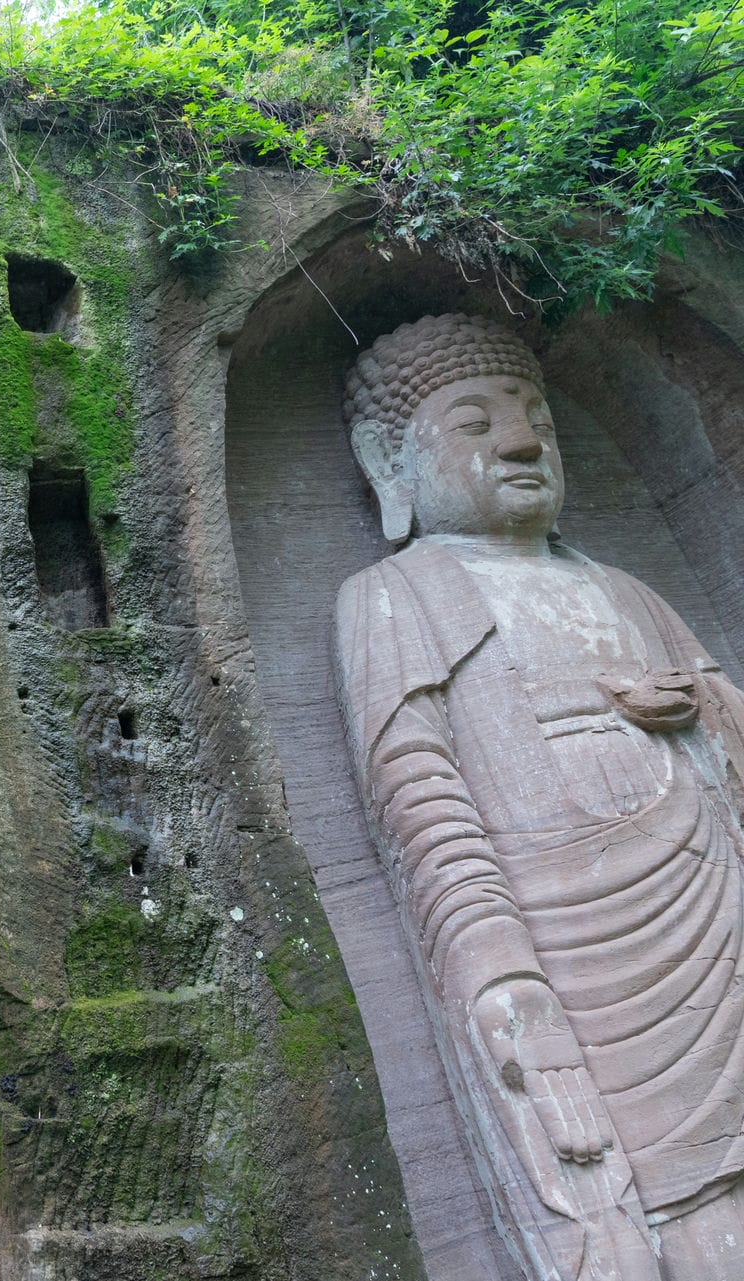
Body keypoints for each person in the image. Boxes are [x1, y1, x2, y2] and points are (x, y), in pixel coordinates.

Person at [335, 315, 744, 1281]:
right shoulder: (395, 595)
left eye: (540, 422)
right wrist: (498, 972)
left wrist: (698, 715)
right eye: (474, 425)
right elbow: (419, 799)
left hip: (714, 908)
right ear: (389, 464)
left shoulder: (630, 591)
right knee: (622, 1205)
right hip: (564, 943)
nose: (522, 443)